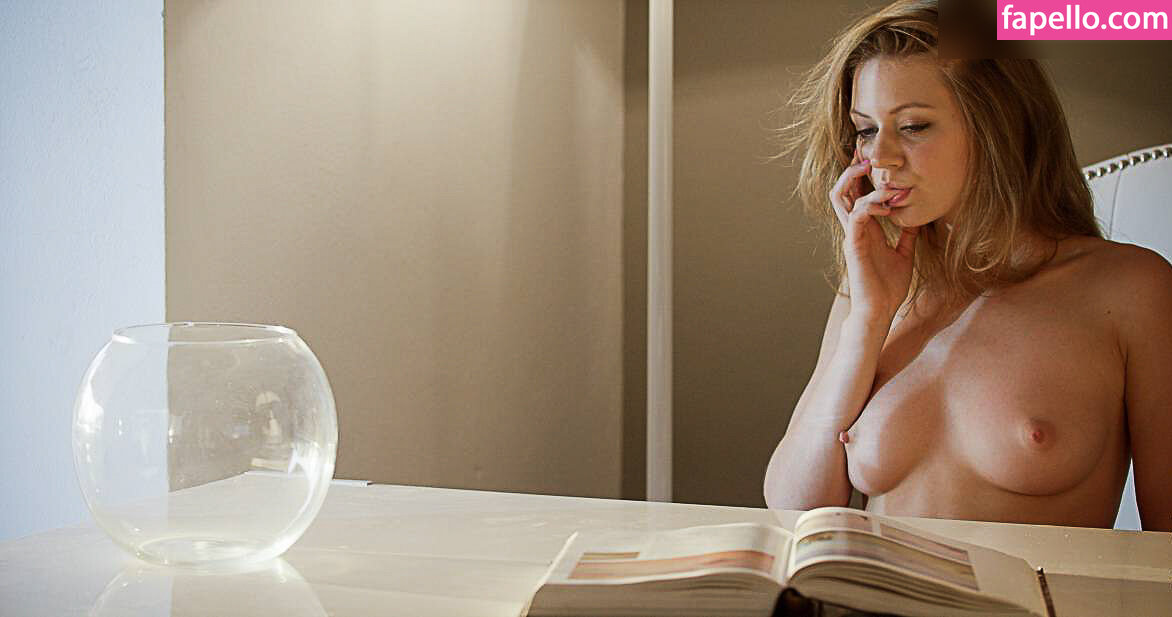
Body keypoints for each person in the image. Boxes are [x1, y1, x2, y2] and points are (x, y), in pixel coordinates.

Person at [762, 0, 1172, 531]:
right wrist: (868, 318)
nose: (880, 157)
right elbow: (793, 511)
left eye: (913, 126)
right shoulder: (870, 291)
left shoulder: (1131, 291)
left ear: (998, 126)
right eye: (865, 130)